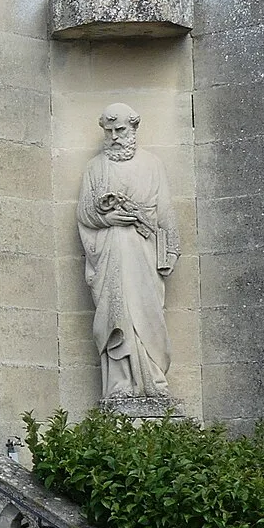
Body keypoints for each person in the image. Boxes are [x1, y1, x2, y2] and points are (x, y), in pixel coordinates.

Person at [77, 103, 179, 404]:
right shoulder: (95, 167)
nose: (114, 136)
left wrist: (170, 251)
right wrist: (107, 219)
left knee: (148, 312)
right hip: (109, 254)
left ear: (133, 129)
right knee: (115, 314)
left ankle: (153, 378)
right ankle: (120, 383)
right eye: (108, 131)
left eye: (120, 130)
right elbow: (83, 213)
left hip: (143, 253)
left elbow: (166, 214)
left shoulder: (152, 164)